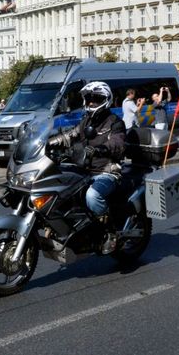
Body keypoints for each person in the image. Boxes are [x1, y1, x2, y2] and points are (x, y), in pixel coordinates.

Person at [51, 82, 126, 253]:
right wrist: (49, 143)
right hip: (83, 171)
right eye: (89, 99)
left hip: (107, 171)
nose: (91, 102)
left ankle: (110, 231)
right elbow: (71, 135)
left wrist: (100, 149)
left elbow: (118, 143)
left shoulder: (115, 122)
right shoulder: (86, 121)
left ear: (105, 100)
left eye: (96, 99)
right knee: (60, 190)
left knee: (93, 195)